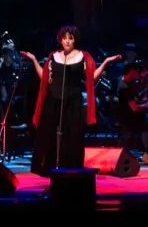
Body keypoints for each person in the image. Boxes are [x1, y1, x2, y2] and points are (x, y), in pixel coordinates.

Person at [21, 26, 120, 174]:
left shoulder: (83, 56)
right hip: (53, 100)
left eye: (70, 38)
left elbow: (92, 77)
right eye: (64, 38)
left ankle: (71, 168)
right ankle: (49, 167)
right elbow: (45, 79)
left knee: (72, 134)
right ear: (60, 40)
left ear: (75, 40)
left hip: (73, 101)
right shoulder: (53, 56)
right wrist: (34, 59)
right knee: (49, 133)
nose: (67, 41)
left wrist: (105, 62)